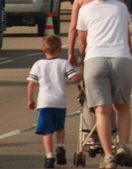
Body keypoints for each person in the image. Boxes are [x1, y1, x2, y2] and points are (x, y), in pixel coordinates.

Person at [76, 0, 132, 169]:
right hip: (120, 57)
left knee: (102, 111)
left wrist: (82, 58)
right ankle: (124, 146)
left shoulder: (85, 9)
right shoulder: (121, 8)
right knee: (123, 107)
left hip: (95, 58)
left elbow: (82, 42)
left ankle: (109, 156)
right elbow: (127, 38)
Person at [27, 34, 82, 168]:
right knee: (60, 127)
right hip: (60, 102)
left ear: (43, 50)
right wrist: (84, 72)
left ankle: (49, 156)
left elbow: (31, 84)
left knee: (47, 131)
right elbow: (74, 79)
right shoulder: (63, 63)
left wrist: (30, 99)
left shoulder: (38, 64)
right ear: (59, 50)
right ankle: (61, 147)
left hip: (44, 102)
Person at [67, 0, 125, 67]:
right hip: (112, 48)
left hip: (88, 48)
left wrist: (70, 53)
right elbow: (123, 24)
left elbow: (73, 28)